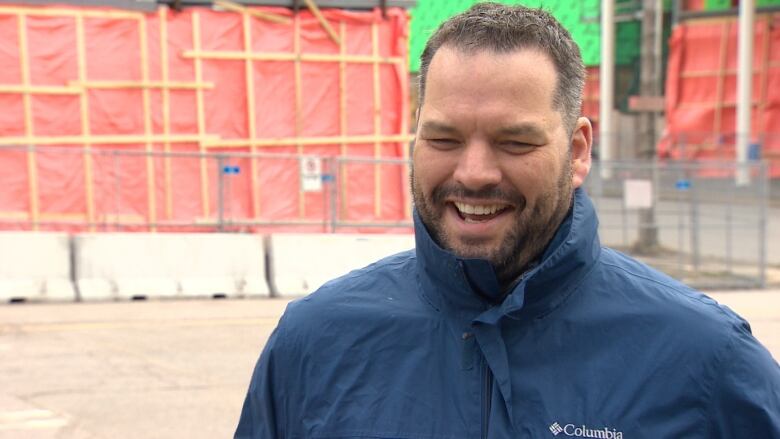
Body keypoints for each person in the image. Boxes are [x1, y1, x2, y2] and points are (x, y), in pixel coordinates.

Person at [235, 3, 780, 438]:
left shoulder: (708, 361)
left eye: (515, 142)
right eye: (444, 139)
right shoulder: (313, 344)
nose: (473, 174)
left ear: (578, 150)